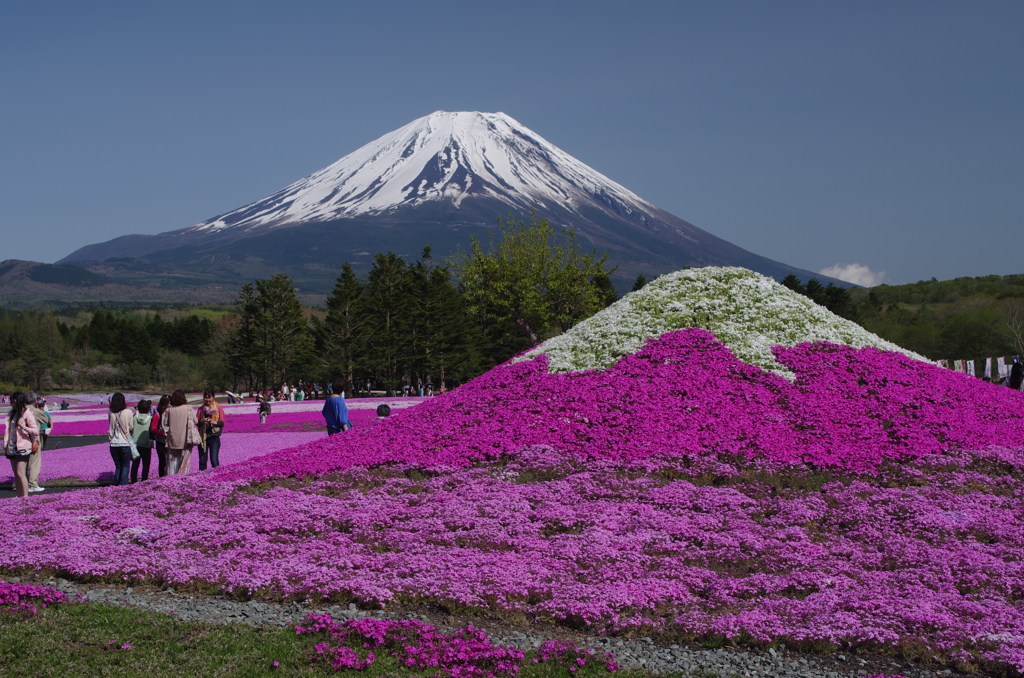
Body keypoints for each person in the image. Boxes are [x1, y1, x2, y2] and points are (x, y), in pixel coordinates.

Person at [4, 392, 40, 498]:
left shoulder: (27, 414)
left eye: (14, 401)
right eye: (11, 401)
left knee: (21, 473)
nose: (12, 403)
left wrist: (24, 427)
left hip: (23, 447)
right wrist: (5, 445)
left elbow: (36, 431)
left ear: (19, 401)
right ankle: (18, 496)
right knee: (16, 474)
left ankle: (25, 496)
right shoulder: (12, 413)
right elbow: (8, 431)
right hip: (12, 447)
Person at [161, 389, 196, 475]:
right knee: (184, 463)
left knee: (172, 463)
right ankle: (182, 480)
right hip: (185, 440)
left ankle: (171, 480)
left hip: (172, 440)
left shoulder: (169, 410)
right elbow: (195, 421)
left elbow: (166, 423)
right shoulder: (188, 409)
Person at [107, 393, 134, 486]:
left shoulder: (110, 412)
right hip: (125, 442)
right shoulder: (128, 412)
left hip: (113, 443)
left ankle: (116, 485)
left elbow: (110, 426)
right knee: (125, 465)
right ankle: (123, 486)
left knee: (118, 466)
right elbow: (131, 427)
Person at [25, 392, 49, 493]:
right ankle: (33, 484)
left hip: (21, 439)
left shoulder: (19, 410)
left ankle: (24, 483)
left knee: (24, 463)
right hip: (34, 438)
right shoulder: (35, 411)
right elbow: (45, 420)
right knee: (35, 463)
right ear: (35, 401)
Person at [196, 389, 225, 470]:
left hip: (214, 437)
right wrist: (202, 421)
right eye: (205, 398)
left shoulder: (218, 409)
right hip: (202, 437)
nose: (207, 400)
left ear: (213, 397)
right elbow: (196, 421)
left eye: (209, 397)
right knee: (202, 461)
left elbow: (222, 422)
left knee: (214, 460)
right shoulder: (201, 409)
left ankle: (216, 478)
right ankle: (201, 477)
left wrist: (214, 422)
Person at [130, 399, 153, 482]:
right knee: (146, 465)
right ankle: (144, 480)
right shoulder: (151, 418)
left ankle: (133, 481)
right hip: (146, 444)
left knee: (135, 464)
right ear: (148, 409)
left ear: (138, 408)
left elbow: (131, 429)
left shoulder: (134, 417)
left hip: (135, 444)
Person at [150, 395, 170, 477]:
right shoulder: (157, 414)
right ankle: (161, 477)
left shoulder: (172, 413)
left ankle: (170, 476)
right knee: (162, 461)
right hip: (160, 441)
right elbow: (153, 429)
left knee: (170, 461)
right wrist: (163, 434)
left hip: (170, 440)